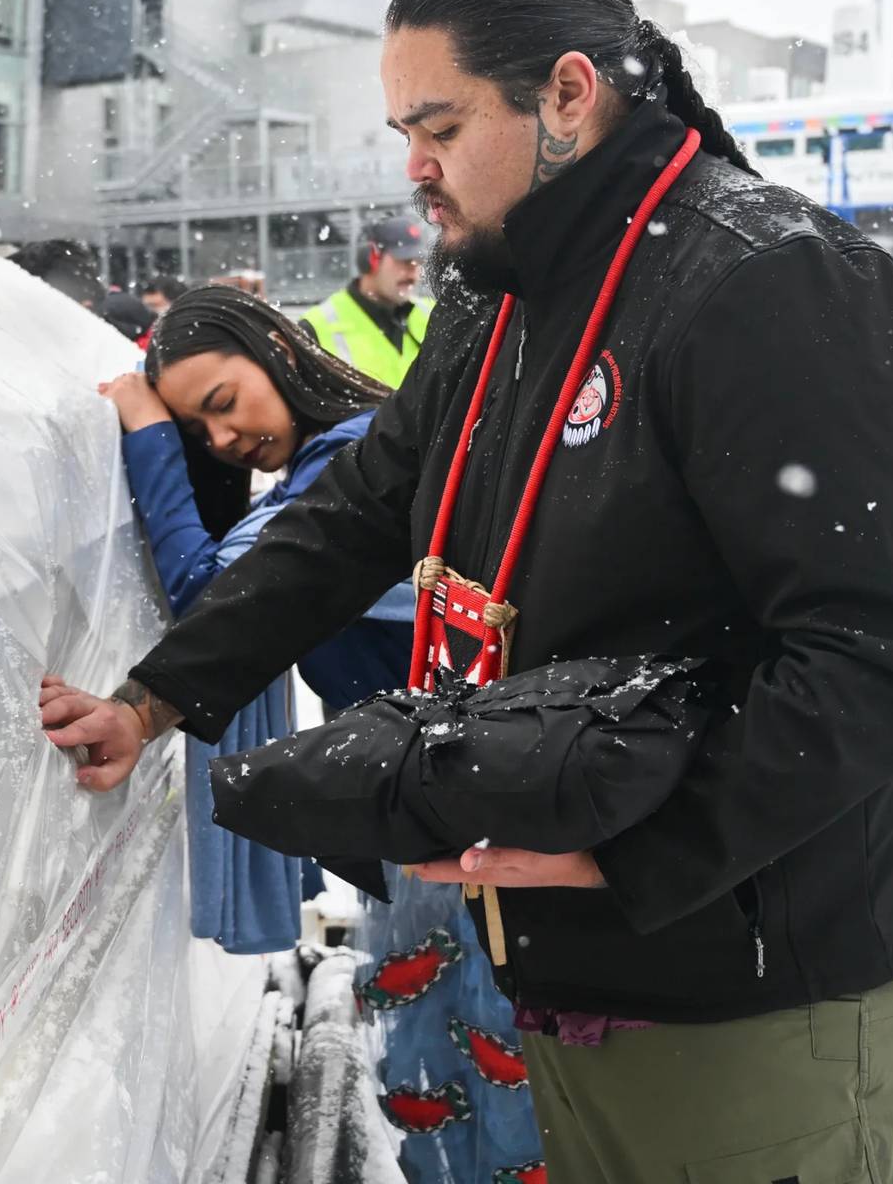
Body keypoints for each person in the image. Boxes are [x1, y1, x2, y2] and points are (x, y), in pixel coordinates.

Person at [39, 0, 893, 1183]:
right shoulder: (499, 284)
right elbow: (364, 501)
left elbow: (879, 658)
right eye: (402, 137)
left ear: (570, 96)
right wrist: (157, 696)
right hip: (574, 966)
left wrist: (628, 853)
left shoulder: (770, 283)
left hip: (756, 996)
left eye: (441, 126)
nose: (416, 171)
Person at [88, 288, 541, 1180]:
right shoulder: (333, 461)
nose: (222, 440)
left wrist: (146, 431)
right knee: (454, 1068)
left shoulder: (352, 463)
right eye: (198, 431)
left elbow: (217, 601)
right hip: (435, 799)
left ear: (277, 351)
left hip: (467, 808)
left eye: (222, 403)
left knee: (474, 1068)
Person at [300, 218, 433, 387]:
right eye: (404, 260)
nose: (413, 271)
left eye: (418, 261)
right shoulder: (315, 328)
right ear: (371, 258)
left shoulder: (434, 315)